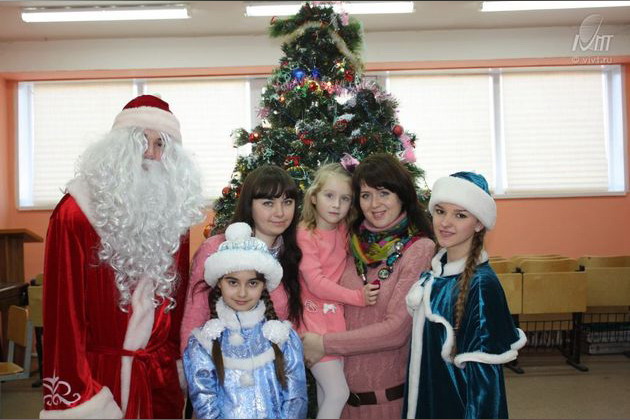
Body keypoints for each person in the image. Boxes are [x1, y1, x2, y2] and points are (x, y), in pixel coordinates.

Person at [40, 95, 206, 418]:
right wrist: (78, 395)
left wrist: (176, 366)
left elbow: (177, 307)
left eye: (161, 144)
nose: (151, 153)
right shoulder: (74, 214)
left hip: (160, 378)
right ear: (118, 148)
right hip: (100, 380)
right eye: (142, 141)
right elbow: (63, 318)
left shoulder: (174, 216)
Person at [301, 153, 435, 419]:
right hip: (341, 404)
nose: (375, 204)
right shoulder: (351, 242)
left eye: (384, 193)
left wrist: (323, 344)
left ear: (402, 195)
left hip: (384, 404)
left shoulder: (419, 249)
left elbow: (395, 331)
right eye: (365, 195)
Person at [403, 171, 527, 419]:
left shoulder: (480, 286)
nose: (445, 223)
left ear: (479, 223)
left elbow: (485, 389)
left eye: (460, 215)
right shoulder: (436, 274)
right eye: (440, 211)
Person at [183, 222, 308, 419]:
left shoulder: (284, 338)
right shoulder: (203, 343)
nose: (242, 293)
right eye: (233, 282)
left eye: (252, 283)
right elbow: (205, 402)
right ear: (219, 283)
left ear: (264, 285)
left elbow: (296, 399)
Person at [180, 164, 303, 354]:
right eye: (268, 203)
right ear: (249, 205)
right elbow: (194, 315)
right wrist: (191, 363)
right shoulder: (216, 248)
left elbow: (296, 323)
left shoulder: (294, 253)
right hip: (221, 364)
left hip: (274, 366)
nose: (280, 212)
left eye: (287, 202)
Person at [297, 163, 380, 419]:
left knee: (327, 393)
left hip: (335, 324)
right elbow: (315, 282)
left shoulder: (344, 231)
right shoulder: (305, 233)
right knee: (338, 393)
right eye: (329, 196)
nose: (336, 205)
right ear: (314, 197)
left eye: (345, 199)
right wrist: (357, 297)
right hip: (313, 325)